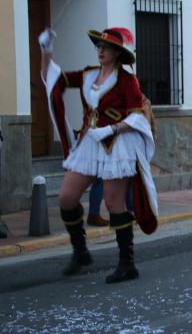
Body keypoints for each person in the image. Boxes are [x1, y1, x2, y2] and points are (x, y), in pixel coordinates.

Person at [38, 27, 158, 283]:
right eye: (99, 46)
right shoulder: (87, 74)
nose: (101, 50)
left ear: (118, 52)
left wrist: (111, 128)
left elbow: (139, 115)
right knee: (67, 197)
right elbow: (53, 80)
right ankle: (80, 251)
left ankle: (127, 263)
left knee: (114, 203)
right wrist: (46, 50)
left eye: (107, 47)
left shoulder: (127, 80)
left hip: (115, 144)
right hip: (88, 144)